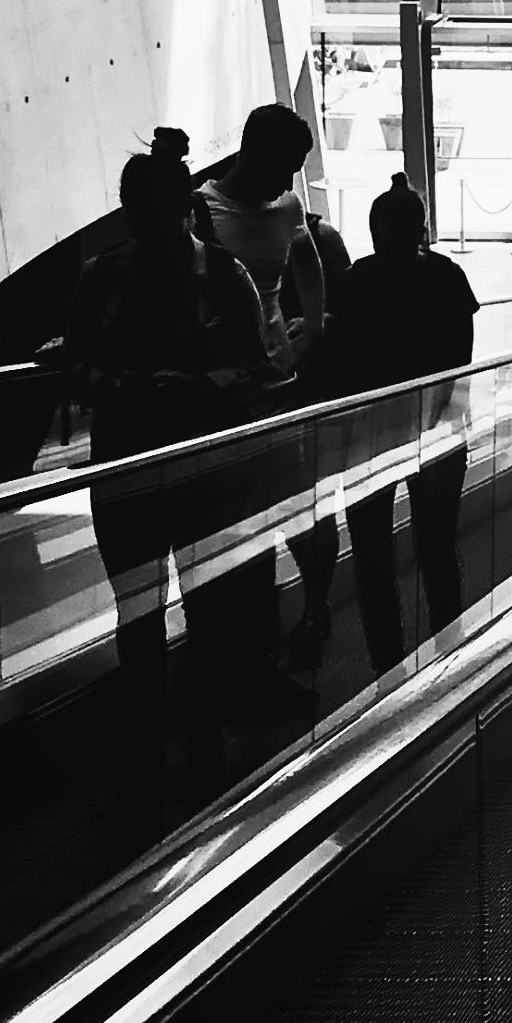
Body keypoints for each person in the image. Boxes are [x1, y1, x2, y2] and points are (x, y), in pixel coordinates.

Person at [46, 136, 277, 746]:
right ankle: (194, 740)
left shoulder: (104, 279)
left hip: (127, 462)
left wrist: (123, 387)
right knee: (193, 605)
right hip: (202, 465)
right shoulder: (226, 276)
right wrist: (198, 386)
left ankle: (159, 740)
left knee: (144, 608)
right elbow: (260, 366)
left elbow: (71, 365)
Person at [196, 103, 345, 687]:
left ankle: (307, 616)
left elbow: (308, 267)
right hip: (229, 399)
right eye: (284, 166)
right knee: (250, 527)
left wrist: (311, 331)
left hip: (279, 389)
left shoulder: (286, 209)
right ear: (252, 153)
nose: (288, 182)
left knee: (303, 511)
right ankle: (253, 660)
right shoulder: (204, 211)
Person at [327, 172, 481, 670]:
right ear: (422, 228)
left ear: (374, 229)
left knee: (373, 561)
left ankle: (387, 665)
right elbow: (461, 357)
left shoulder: (355, 282)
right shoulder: (447, 277)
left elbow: (341, 362)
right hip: (436, 429)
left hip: (368, 435)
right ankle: (447, 654)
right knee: (437, 547)